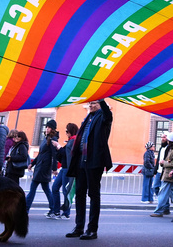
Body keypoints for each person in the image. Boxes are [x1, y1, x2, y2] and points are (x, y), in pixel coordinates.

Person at [65, 99, 112, 241]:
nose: (91, 105)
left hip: (94, 161)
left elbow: (108, 116)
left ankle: (92, 229)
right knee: (79, 194)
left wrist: (102, 99)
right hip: (81, 161)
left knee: (93, 195)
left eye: (94, 103)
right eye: (90, 103)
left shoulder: (103, 117)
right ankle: (79, 227)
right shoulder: (87, 118)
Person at [28, 120, 58, 214]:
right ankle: (53, 209)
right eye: (46, 127)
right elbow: (41, 154)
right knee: (46, 190)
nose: (46, 129)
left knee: (33, 188)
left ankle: (25, 208)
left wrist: (54, 169)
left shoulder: (53, 139)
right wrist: (32, 164)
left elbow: (54, 155)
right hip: (40, 166)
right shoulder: (46, 138)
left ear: (52, 129)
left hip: (43, 168)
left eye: (49, 127)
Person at [50, 122, 77, 220]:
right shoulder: (70, 141)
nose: (66, 133)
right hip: (63, 168)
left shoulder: (73, 141)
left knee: (66, 190)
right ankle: (56, 211)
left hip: (67, 169)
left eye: (67, 131)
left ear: (71, 131)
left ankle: (66, 213)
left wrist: (58, 146)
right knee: (55, 188)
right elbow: (63, 156)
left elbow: (67, 155)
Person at [150, 133, 173, 218]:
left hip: (168, 173)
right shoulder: (165, 148)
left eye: (164, 137)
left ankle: (159, 211)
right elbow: (161, 159)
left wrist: (164, 163)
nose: (162, 138)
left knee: (163, 192)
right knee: (170, 193)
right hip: (163, 172)